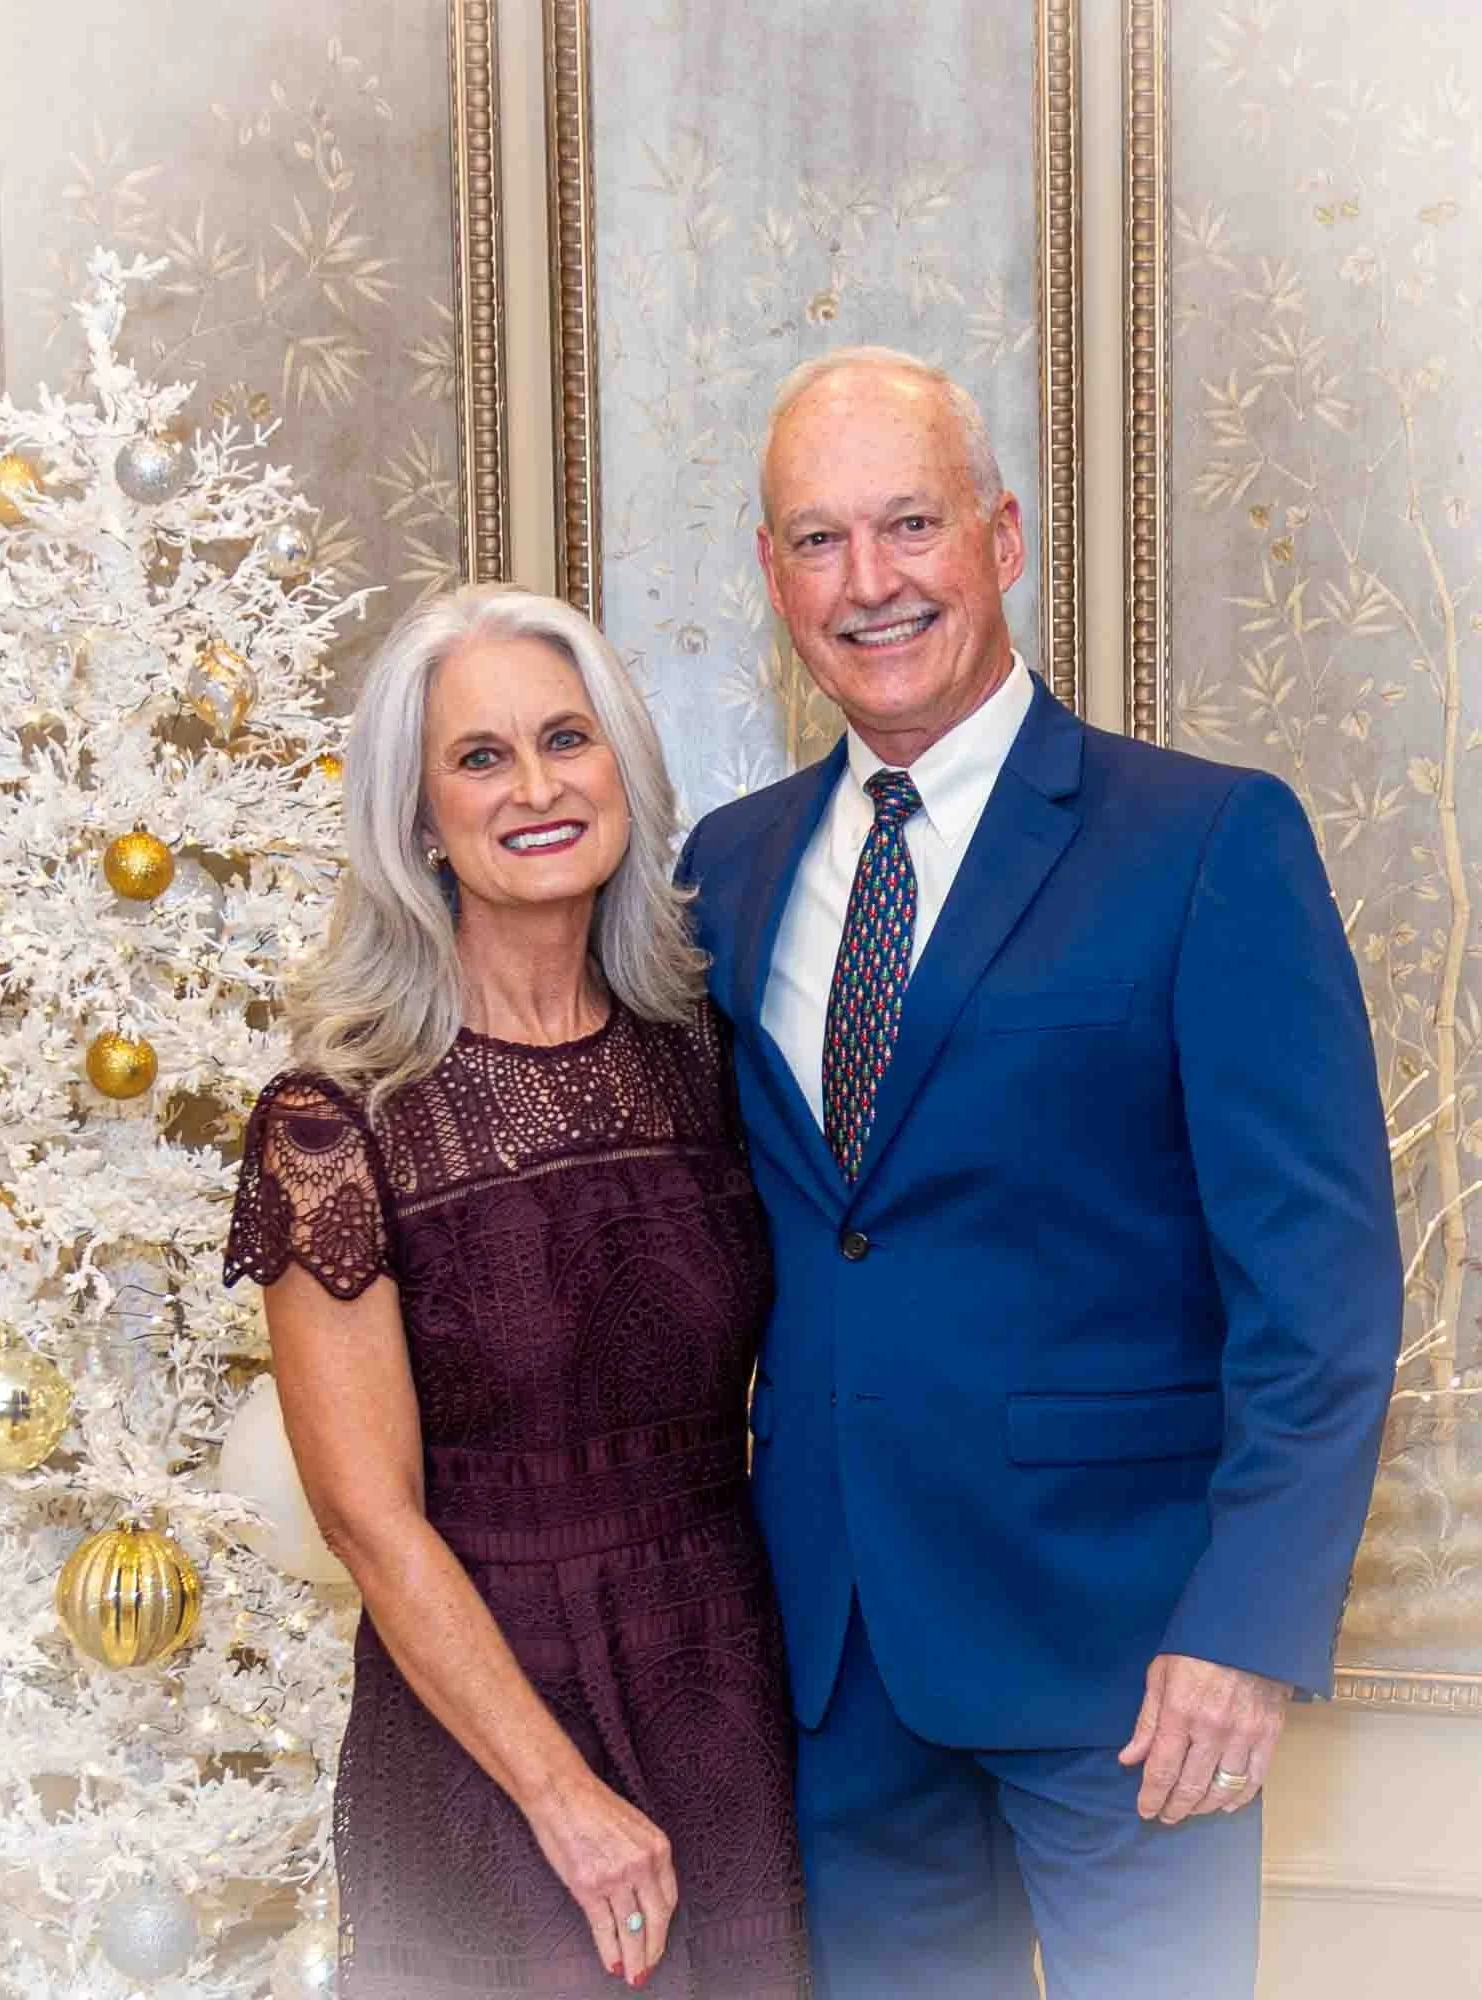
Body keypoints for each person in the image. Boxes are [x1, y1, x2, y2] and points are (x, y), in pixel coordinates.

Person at [674, 347, 1402, 2000]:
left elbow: (1324, 1286)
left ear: (1002, 539)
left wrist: (1248, 1627)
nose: (869, 583)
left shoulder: (1207, 840)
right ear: (773, 578)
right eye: (815, 540)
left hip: (1136, 1672)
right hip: (839, 1666)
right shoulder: (725, 868)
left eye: (909, 523)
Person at [224, 584, 809, 2000]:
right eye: (481, 758)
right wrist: (562, 1797)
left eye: (568, 739)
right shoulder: (335, 1119)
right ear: (420, 819)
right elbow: (369, 1518)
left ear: (623, 767)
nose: (537, 788)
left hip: (727, 1683)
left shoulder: (705, 1054)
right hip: (488, 1725)